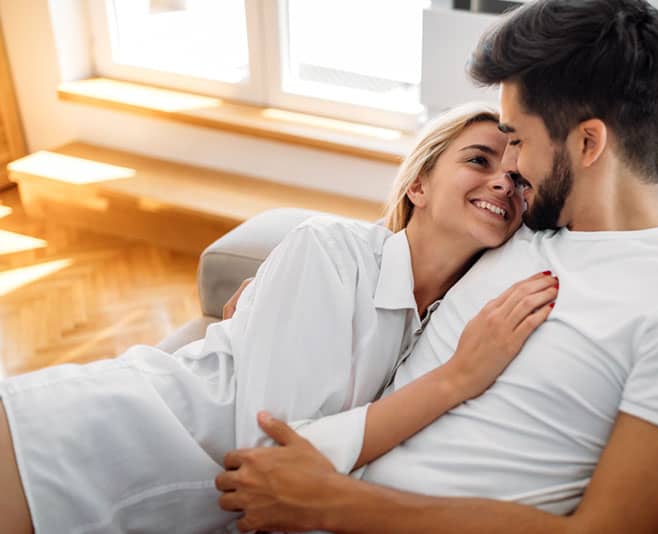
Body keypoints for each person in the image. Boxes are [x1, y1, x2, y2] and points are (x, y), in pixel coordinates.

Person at [214, 1, 658, 532]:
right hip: (288, 498)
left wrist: (333, 504)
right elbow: (406, 240)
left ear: (588, 143)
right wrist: (291, 289)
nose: (508, 168)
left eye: (519, 141)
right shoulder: (516, 229)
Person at [0, 103, 559, 533]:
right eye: (479, 159)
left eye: (517, 177)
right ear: (418, 184)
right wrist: (456, 379)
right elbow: (268, 466)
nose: (502, 182)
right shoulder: (329, 250)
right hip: (71, 445)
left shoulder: (443, 322)